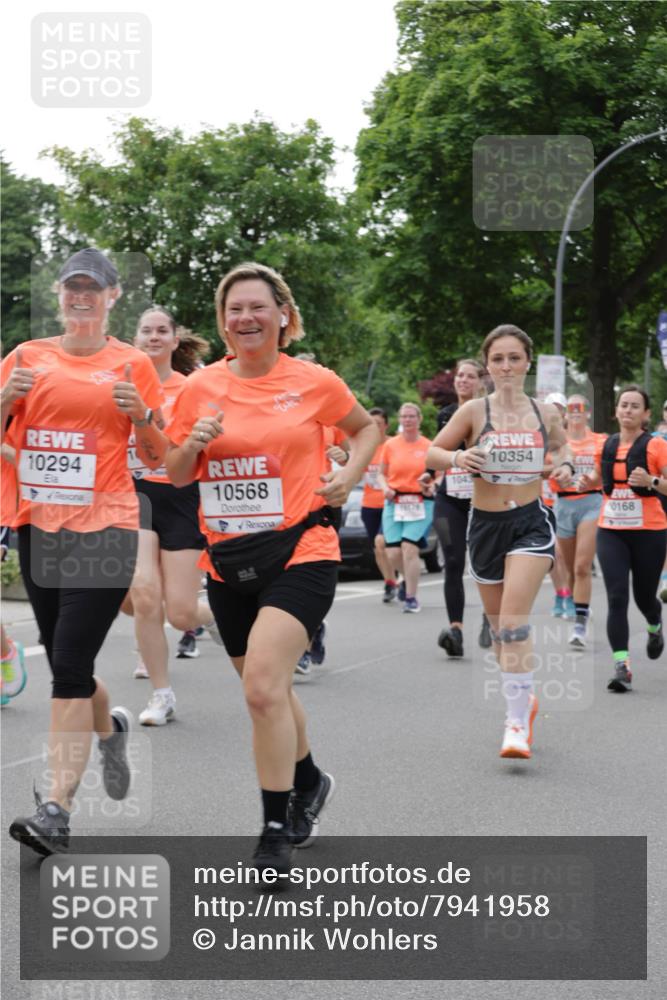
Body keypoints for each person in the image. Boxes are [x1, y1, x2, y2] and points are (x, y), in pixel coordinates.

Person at [165, 262, 378, 876]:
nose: (246, 318)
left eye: (258, 306)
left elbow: (364, 429)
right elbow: (176, 473)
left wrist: (349, 475)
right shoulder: (200, 387)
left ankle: (275, 829)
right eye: (234, 309)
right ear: (222, 321)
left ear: (283, 315)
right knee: (270, 693)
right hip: (228, 560)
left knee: (261, 686)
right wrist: (193, 442)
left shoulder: (313, 381)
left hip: (301, 548)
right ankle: (309, 781)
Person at [2, 248, 164, 856]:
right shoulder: (25, 356)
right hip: (39, 526)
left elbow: (156, 455)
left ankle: (55, 809)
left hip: (107, 525)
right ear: (58, 293)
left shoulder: (131, 362)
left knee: (69, 664)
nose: (81, 296)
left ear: (112, 296)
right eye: (72, 286)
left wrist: (141, 416)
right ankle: (110, 729)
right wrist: (3, 400)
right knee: (67, 665)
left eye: (93, 288)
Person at [427, 324, 574, 759]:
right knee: (497, 631)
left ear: (528, 362)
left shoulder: (544, 412)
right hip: (485, 526)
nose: (506, 366)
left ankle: (515, 725)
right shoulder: (474, 411)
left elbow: (563, 448)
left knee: (512, 622)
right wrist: (458, 456)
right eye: (497, 359)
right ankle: (523, 699)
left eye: (514, 358)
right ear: (487, 366)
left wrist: (564, 466)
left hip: (530, 521)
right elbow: (433, 452)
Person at [122, 309, 221, 724]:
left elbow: (212, 440)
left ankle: (215, 615)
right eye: (146, 330)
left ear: (175, 340)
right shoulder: (121, 384)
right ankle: (161, 695)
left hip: (181, 497)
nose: (154, 336)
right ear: (136, 339)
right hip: (135, 496)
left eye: (162, 330)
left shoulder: (192, 386)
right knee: (142, 596)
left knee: (180, 613)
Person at [578, 385, 666, 692]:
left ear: (646, 414)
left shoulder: (656, 446)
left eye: (634, 406)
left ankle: (654, 624)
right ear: (616, 411)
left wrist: (652, 480)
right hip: (611, 529)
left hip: (649, 532)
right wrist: (585, 482)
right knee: (616, 597)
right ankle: (622, 666)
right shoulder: (606, 445)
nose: (628, 410)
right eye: (623, 405)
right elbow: (597, 478)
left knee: (644, 597)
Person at [428, 358, 487, 656]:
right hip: (449, 498)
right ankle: (456, 630)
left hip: (484, 499)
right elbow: (437, 450)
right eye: (460, 375)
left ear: (480, 382)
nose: (463, 380)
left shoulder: (490, 415)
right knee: (452, 561)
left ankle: (490, 616)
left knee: (486, 562)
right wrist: (428, 475)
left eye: (470, 376)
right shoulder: (446, 414)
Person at [551, 395, 606, 647]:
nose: (575, 413)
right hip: (563, 505)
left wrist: (593, 478)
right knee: (571, 568)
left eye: (579, 409)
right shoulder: (557, 442)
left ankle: (579, 625)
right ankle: (579, 606)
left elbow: (605, 469)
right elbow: (543, 470)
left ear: (587, 413)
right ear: (565, 414)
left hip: (591, 502)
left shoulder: (599, 440)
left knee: (583, 566)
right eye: (570, 409)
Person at [377, 403, 435, 614]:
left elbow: (439, 474)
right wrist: (385, 488)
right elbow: (381, 474)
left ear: (419, 419)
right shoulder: (390, 445)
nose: (407, 420)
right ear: (399, 419)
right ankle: (407, 578)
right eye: (404, 416)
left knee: (409, 547)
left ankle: (411, 597)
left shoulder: (429, 446)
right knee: (392, 552)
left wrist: (433, 486)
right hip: (395, 501)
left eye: (411, 416)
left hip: (421, 502)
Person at [358, 407, 402, 602]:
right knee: (378, 549)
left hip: (390, 503)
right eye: (371, 424)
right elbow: (357, 472)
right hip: (369, 505)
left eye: (378, 424)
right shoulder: (365, 446)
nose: (374, 427)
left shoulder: (393, 445)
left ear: (386, 425)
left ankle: (399, 578)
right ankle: (390, 582)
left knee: (382, 542)